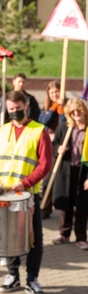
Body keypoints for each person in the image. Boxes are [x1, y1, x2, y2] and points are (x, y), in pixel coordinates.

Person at [0, 90, 52, 294]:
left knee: (34, 239)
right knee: (8, 236)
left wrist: (25, 183)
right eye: (11, 109)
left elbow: (45, 164)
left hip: (27, 195)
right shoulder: (1, 131)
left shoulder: (39, 131)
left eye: (18, 109)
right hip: (3, 195)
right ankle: (13, 276)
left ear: (26, 107)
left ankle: (32, 279)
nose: (14, 112)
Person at [51, 98, 88, 249]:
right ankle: (64, 234)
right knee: (66, 203)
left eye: (78, 110)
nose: (76, 113)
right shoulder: (64, 128)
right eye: (72, 111)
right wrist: (57, 149)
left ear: (84, 110)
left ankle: (81, 237)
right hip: (67, 169)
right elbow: (53, 146)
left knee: (82, 205)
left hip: (83, 171)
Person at [38, 80, 66, 218]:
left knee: (59, 178)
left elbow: (64, 125)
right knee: (47, 178)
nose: (54, 94)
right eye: (52, 92)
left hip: (62, 146)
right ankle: (45, 208)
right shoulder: (46, 109)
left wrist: (61, 111)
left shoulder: (66, 107)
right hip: (48, 146)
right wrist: (54, 107)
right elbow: (43, 122)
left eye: (57, 92)